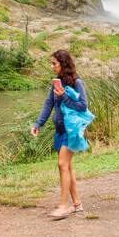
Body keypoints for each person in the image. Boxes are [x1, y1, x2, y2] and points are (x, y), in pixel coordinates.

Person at [31, 49, 88, 220]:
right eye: (51, 63)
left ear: (63, 64)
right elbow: (48, 104)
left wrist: (63, 96)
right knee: (67, 167)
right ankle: (77, 203)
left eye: (54, 63)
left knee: (62, 164)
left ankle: (64, 206)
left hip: (72, 131)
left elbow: (83, 106)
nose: (52, 67)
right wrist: (38, 124)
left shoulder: (77, 83)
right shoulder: (56, 82)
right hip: (60, 130)